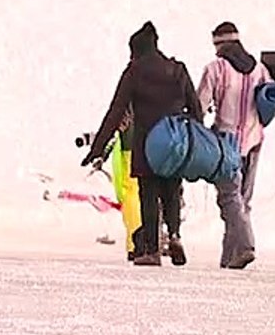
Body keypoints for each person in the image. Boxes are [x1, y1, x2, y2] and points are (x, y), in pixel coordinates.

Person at [81, 21, 203, 266]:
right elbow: (196, 109)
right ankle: (175, 236)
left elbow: (115, 112)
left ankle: (151, 249)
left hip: (147, 143)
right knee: (171, 190)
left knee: (148, 194)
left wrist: (97, 149)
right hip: (174, 142)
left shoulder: (134, 71)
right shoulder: (177, 69)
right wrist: (188, 133)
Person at [198, 21, 271, 269]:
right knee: (242, 201)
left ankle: (246, 247)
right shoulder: (259, 69)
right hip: (255, 140)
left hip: (226, 142)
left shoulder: (215, 69)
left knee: (229, 199)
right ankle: (229, 259)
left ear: (219, 44)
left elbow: (200, 106)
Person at [107, 108, 142, 260]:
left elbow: (121, 115)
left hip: (131, 143)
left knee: (131, 192)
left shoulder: (132, 85)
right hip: (156, 140)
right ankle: (148, 242)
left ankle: (135, 243)